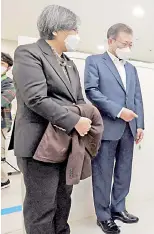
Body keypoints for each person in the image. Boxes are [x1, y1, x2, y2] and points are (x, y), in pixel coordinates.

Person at [9, 5, 91, 233]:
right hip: (38, 145)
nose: (77, 35)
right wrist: (75, 120)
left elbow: (79, 99)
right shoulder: (28, 53)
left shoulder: (69, 63)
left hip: (66, 145)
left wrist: (85, 115)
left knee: (62, 204)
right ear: (57, 30)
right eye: (74, 29)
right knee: (41, 209)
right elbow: (36, 98)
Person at [85, 23, 144, 234]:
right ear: (111, 41)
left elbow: (137, 98)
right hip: (107, 127)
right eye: (124, 43)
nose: (128, 47)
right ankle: (103, 216)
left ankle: (119, 208)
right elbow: (91, 90)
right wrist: (119, 111)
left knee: (124, 172)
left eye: (130, 44)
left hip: (129, 128)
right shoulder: (94, 62)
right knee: (103, 173)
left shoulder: (131, 68)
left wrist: (139, 125)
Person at [1, 52, 15, 189]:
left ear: (8, 67)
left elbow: (4, 100)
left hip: (1, 124)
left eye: (2, 64)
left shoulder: (8, 83)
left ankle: (4, 180)